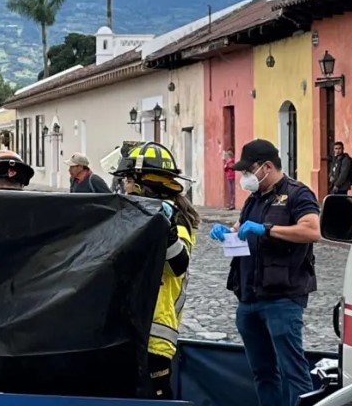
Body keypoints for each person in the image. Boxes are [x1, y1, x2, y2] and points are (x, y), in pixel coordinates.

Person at [208, 138, 321, 406]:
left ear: (267, 167)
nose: (245, 176)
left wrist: (267, 229)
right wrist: (227, 232)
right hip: (248, 297)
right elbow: (240, 227)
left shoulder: (297, 194)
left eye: (249, 170)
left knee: (293, 371)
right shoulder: (254, 198)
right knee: (263, 372)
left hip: (282, 297)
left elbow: (312, 230)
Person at [114, 142, 200, 400]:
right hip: (132, 330)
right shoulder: (140, 216)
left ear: (141, 184)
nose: (124, 187)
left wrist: (167, 228)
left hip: (154, 336)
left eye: (128, 180)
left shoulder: (176, 220)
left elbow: (178, 265)